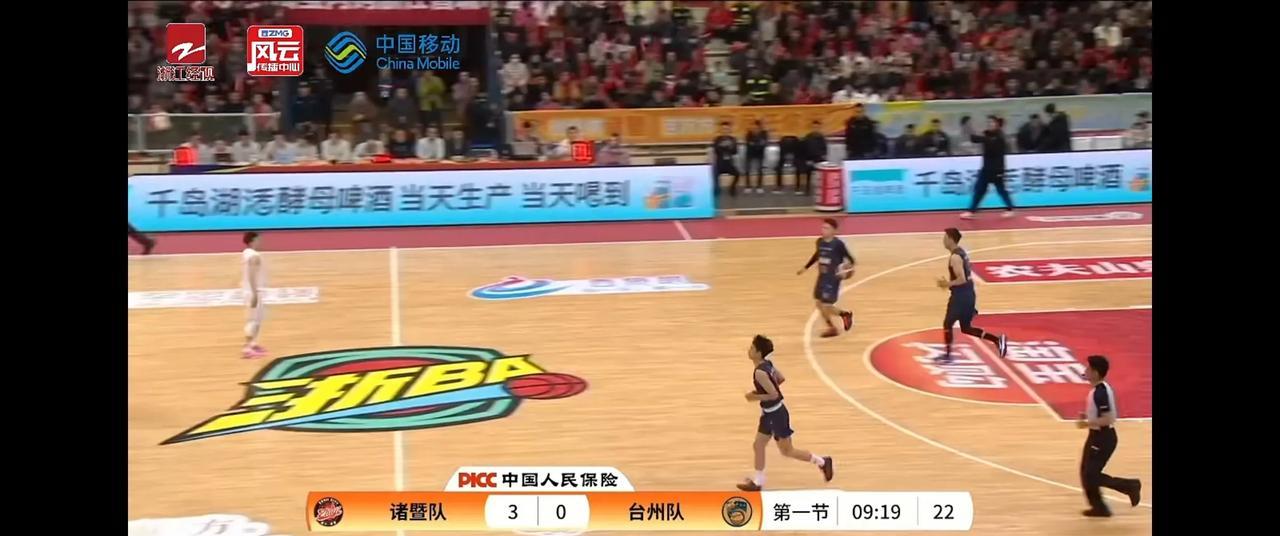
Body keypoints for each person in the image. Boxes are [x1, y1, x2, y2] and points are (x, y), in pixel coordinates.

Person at [737, 335, 834, 491]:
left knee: (787, 451)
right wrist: (764, 390)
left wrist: (754, 396)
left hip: (776, 414)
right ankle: (758, 482)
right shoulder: (767, 365)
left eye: (752, 348)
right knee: (759, 445)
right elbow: (781, 378)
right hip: (769, 413)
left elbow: (774, 394)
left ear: (759, 353)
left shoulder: (760, 373)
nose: (749, 350)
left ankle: (822, 462)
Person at [1077, 355, 1143, 517]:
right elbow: (1102, 414)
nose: (1085, 370)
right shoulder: (1099, 389)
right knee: (1086, 471)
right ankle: (1099, 507)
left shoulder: (1100, 393)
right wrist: (1088, 416)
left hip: (1103, 438)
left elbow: (1108, 418)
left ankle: (1130, 486)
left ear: (1095, 373)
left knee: (1091, 474)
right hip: (1096, 435)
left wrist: (1086, 422)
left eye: (1088, 368)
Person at [935, 228, 1007, 363]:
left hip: (960, 297)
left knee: (947, 323)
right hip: (968, 295)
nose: (943, 240)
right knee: (966, 328)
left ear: (950, 239)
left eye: (945, 237)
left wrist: (947, 284)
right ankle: (997, 340)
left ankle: (948, 356)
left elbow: (962, 279)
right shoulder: (962, 252)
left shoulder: (955, 257)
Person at [796, 218, 856, 338]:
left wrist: (845, 271)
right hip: (822, 277)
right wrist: (806, 267)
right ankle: (833, 326)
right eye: (823, 227)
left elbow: (851, 260)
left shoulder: (838, 244)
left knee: (826, 305)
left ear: (834, 231)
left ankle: (843, 316)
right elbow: (817, 255)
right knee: (819, 303)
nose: (823, 230)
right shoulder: (819, 241)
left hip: (832, 279)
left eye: (827, 228)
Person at [961, 116, 1015, 219]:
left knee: (1001, 190)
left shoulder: (999, 137)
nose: (990, 124)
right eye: (989, 122)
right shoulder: (987, 135)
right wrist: (968, 128)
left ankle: (1010, 209)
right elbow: (974, 139)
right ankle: (971, 211)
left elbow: (991, 147)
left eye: (992, 122)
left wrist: (983, 137)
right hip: (986, 168)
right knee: (979, 190)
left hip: (996, 169)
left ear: (997, 125)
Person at [241, 232, 267, 359]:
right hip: (254, 291)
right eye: (257, 240)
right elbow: (251, 275)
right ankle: (247, 348)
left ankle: (253, 343)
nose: (260, 242)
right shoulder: (254, 256)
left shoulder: (246, 253)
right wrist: (255, 293)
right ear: (252, 241)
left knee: (257, 319)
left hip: (249, 290)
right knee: (253, 321)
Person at [712, 121, 741, 196]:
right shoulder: (717, 139)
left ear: (729, 130)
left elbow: (735, 151)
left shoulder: (733, 139)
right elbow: (716, 150)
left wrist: (729, 147)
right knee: (714, 171)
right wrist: (724, 146)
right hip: (720, 163)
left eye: (727, 129)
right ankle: (717, 188)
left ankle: (732, 188)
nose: (725, 131)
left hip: (729, 163)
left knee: (737, 174)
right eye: (723, 129)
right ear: (721, 130)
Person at [800, 120, 828, 196]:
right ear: (812, 128)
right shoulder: (807, 137)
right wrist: (808, 160)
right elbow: (804, 150)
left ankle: (823, 189)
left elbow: (824, 150)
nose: (816, 129)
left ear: (820, 128)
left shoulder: (822, 138)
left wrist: (822, 158)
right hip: (810, 159)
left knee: (825, 168)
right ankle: (807, 189)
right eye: (814, 127)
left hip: (819, 159)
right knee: (808, 169)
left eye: (817, 127)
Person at [744, 120, 769, 194]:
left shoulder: (764, 133)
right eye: (753, 127)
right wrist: (757, 144)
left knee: (760, 169)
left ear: (760, 127)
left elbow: (764, 144)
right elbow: (749, 144)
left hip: (760, 153)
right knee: (747, 169)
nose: (754, 129)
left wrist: (755, 144)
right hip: (750, 153)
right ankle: (748, 186)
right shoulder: (749, 133)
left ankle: (759, 186)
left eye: (756, 127)